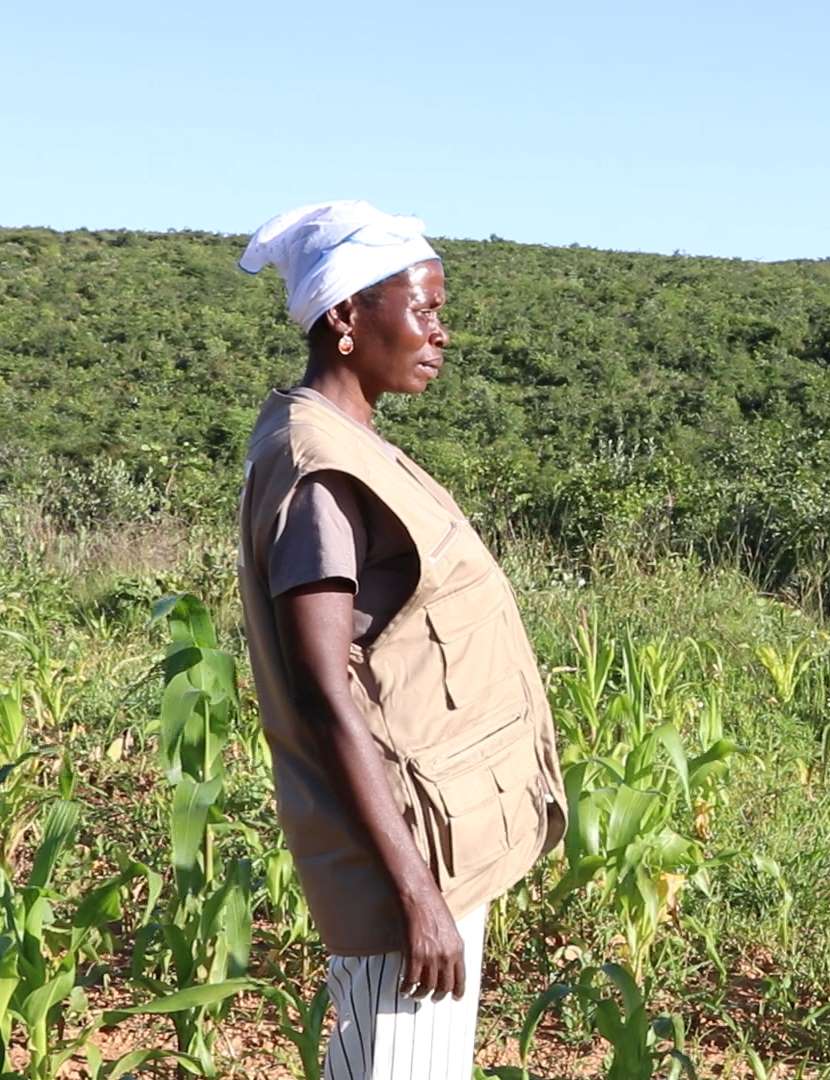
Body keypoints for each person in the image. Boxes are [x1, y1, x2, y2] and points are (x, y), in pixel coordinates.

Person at [235, 201, 566, 1079]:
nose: (440, 332)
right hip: (404, 864)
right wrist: (415, 893)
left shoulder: (351, 441)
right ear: (345, 316)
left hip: (430, 841)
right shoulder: (319, 466)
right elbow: (322, 690)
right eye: (421, 308)